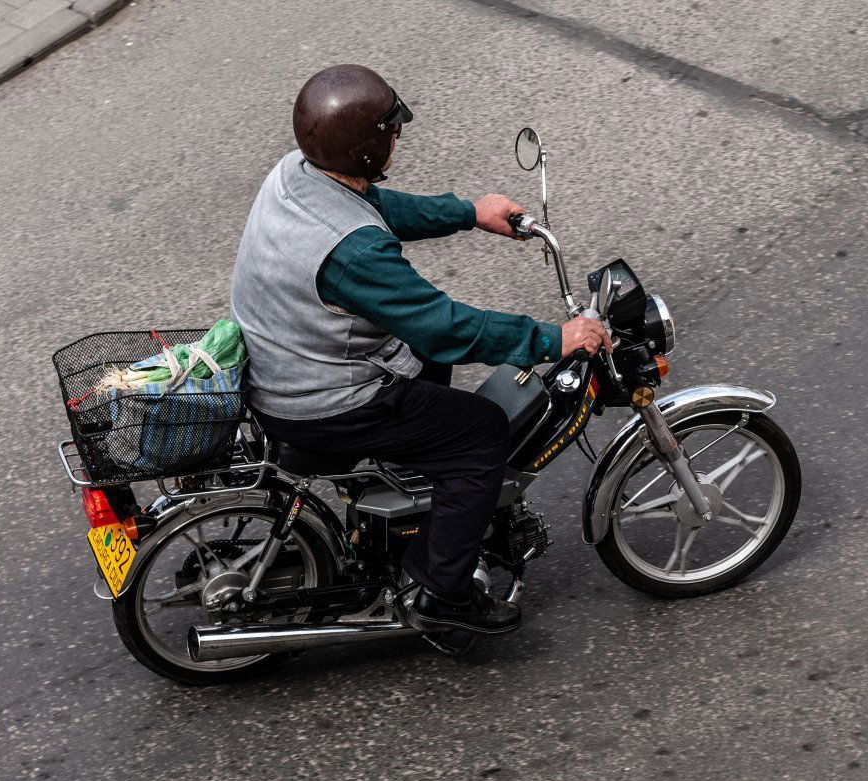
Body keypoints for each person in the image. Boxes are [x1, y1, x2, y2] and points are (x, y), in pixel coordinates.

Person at [230, 64, 611, 635]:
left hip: (285, 362)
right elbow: (448, 328)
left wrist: (468, 213)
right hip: (320, 400)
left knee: (426, 362)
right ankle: (442, 591)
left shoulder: (295, 175)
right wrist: (554, 338)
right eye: (390, 129)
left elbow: (376, 208)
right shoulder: (354, 253)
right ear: (367, 146)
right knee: (482, 434)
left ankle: (421, 494)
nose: (398, 136)